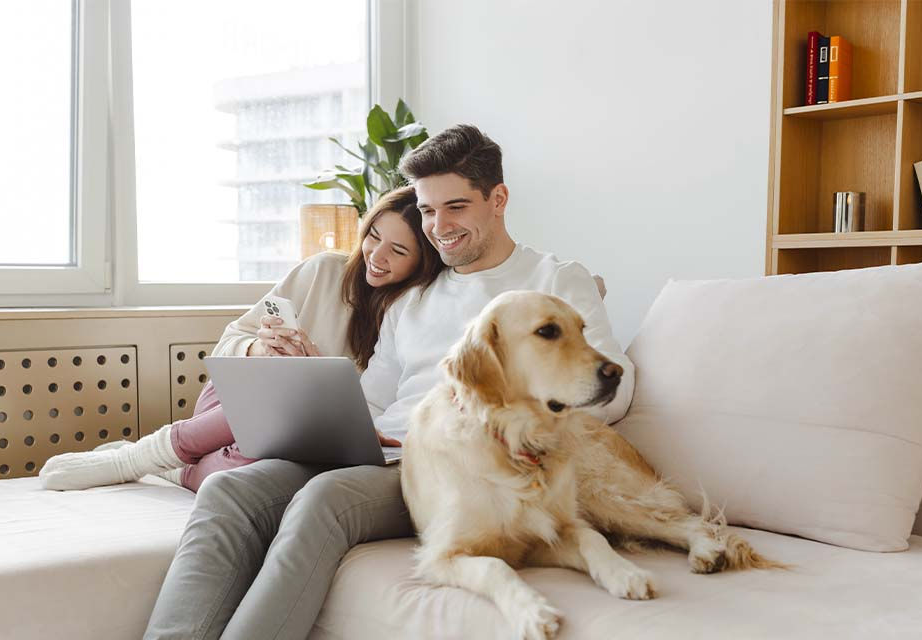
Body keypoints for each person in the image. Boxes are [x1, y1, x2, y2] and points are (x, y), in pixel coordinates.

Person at [141, 124, 635, 639]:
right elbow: (374, 398)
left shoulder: (554, 280)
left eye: (456, 207)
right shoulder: (415, 296)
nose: (438, 226)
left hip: (466, 468)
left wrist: (509, 420)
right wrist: (332, 413)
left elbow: (613, 392)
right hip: (386, 452)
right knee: (229, 489)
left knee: (326, 498)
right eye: (427, 210)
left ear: (498, 199)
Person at [38, 185, 442, 492]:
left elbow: (362, 416)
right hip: (230, 403)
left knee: (248, 479)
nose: (376, 255)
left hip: (287, 438)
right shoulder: (322, 271)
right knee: (277, 390)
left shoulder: (413, 312)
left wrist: (314, 373)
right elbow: (229, 343)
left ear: (422, 261)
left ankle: (177, 467)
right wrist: (260, 349)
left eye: (398, 250)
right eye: (373, 236)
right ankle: (134, 458)